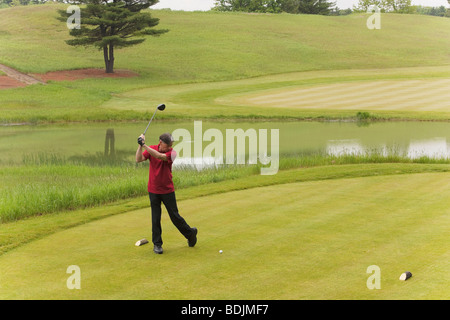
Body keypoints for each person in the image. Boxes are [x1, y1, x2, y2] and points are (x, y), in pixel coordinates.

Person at [136, 132, 197, 254]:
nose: (170, 147)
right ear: (160, 143)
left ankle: (190, 233)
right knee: (155, 218)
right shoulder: (152, 148)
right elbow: (138, 159)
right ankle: (157, 245)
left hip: (167, 190)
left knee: (175, 217)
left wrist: (144, 145)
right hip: (153, 189)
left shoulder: (172, 153)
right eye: (168, 145)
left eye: (171, 145)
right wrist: (139, 145)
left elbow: (159, 156)